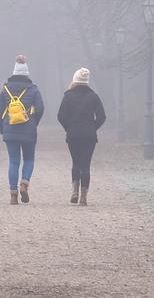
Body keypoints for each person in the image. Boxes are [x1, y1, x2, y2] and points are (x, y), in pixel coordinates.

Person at [0, 54, 44, 204]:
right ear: (26, 73)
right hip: (28, 129)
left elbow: (0, 111)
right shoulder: (33, 89)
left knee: (13, 161)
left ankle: (13, 195)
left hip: (10, 129)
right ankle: (24, 183)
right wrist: (34, 122)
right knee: (29, 158)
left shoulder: (5, 89)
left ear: (14, 72)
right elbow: (41, 108)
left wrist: (2, 128)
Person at [57, 67, 107, 205]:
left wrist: (69, 128)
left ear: (75, 80)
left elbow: (60, 116)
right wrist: (92, 127)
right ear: (87, 81)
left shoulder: (68, 96)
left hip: (73, 135)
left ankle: (75, 192)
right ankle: (84, 197)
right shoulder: (93, 96)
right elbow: (102, 117)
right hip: (89, 136)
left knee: (76, 163)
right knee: (86, 165)